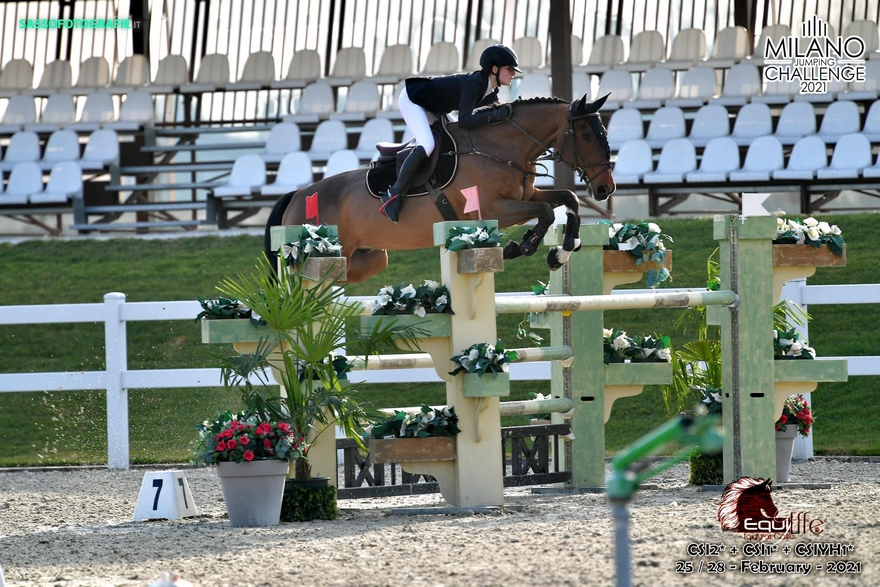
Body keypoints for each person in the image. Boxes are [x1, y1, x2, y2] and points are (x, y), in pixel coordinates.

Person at [378, 44, 521, 222]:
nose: (514, 73)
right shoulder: (475, 83)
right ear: (494, 68)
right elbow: (466, 120)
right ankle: (393, 195)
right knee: (427, 144)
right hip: (413, 99)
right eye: (510, 69)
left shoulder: (490, 90)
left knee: (459, 141)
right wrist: (493, 117)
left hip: (436, 107)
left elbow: (492, 113)